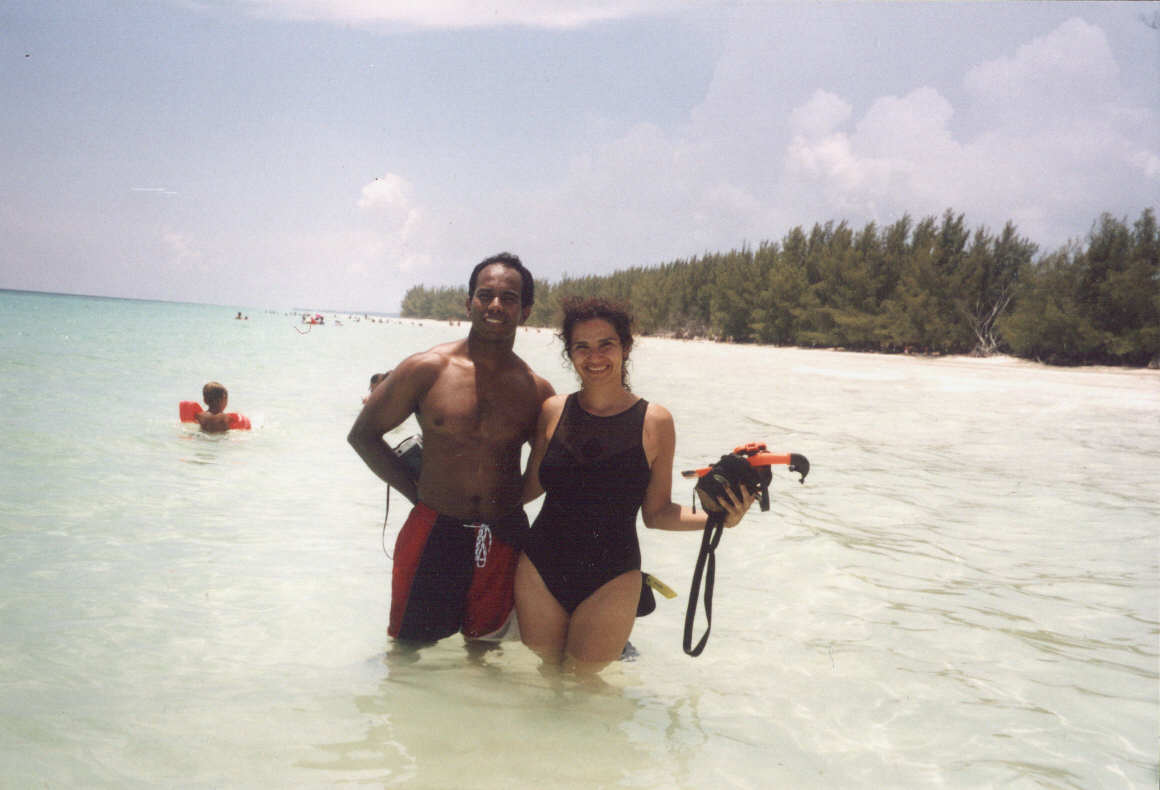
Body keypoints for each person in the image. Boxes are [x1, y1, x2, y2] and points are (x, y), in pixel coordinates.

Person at [516, 297, 755, 675]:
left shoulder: (655, 421)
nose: (594, 357)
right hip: (539, 568)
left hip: (612, 576)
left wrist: (718, 519)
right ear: (569, 353)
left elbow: (657, 513)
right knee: (542, 678)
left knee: (583, 687)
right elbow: (528, 488)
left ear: (626, 347)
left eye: (606, 344)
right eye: (582, 346)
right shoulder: (553, 411)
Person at [348, 253, 555, 645]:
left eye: (509, 298)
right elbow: (364, 435)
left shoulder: (535, 390)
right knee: (408, 653)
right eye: (485, 295)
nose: (496, 305)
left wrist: (513, 505)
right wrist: (417, 495)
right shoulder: (426, 369)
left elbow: (553, 466)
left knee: (486, 652)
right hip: (432, 531)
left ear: (525, 311)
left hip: (503, 535)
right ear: (468, 303)